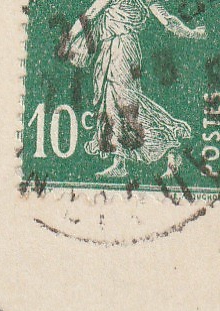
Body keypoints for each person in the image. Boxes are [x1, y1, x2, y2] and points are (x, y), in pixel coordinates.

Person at [59, 0, 206, 179]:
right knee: (112, 104)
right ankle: (120, 163)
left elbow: (90, 14)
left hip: (122, 49)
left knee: (126, 102)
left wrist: (68, 38)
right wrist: (191, 33)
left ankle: (171, 147)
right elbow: (167, 19)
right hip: (110, 50)